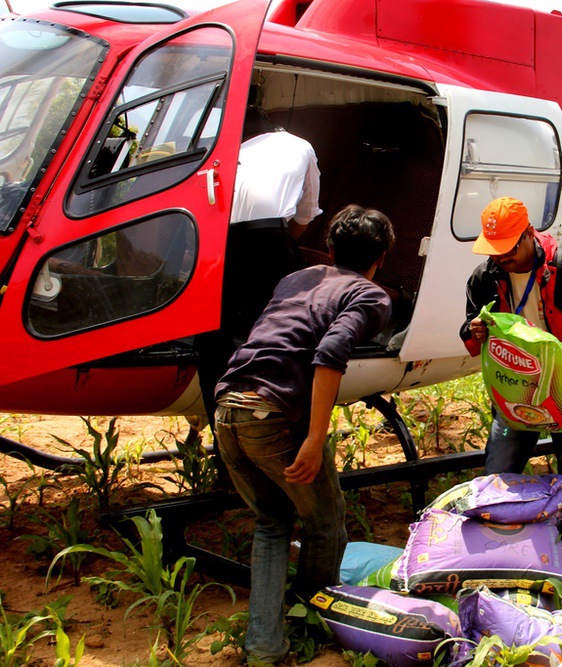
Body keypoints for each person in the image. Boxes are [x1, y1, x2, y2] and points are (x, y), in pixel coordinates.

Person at [214, 205, 394, 666]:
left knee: (272, 523)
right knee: (326, 520)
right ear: (383, 256)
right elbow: (330, 351)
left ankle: (263, 647)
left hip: (228, 407)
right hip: (272, 417)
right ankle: (312, 620)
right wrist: (315, 438)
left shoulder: (300, 278)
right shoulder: (370, 295)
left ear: (330, 249)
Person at [459, 196, 562, 560]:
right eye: (494, 250)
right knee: (497, 475)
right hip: (517, 394)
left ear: (529, 235)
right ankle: (493, 555)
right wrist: (475, 332)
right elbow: (470, 330)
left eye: (507, 249)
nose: (500, 258)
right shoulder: (486, 278)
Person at [195, 100, 323, 430]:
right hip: (272, 244)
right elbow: (304, 216)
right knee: (284, 339)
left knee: (212, 344)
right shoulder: (299, 146)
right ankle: (287, 430)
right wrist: (281, 241)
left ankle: (226, 440)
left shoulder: (214, 151)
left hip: (219, 249)